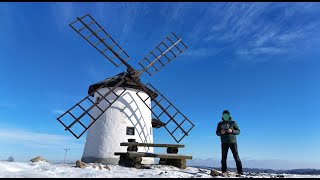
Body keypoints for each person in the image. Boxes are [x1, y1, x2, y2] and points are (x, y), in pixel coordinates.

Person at [216, 110, 243, 175]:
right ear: (222, 116)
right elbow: (217, 133)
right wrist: (221, 132)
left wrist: (232, 131)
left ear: (229, 115)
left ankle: (240, 172)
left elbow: (238, 131)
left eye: (226, 115)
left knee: (236, 157)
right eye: (224, 115)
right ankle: (224, 171)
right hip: (224, 142)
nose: (225, 116)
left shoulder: (233, 122)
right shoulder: (220, 124)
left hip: (233, 142)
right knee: (223, 158)